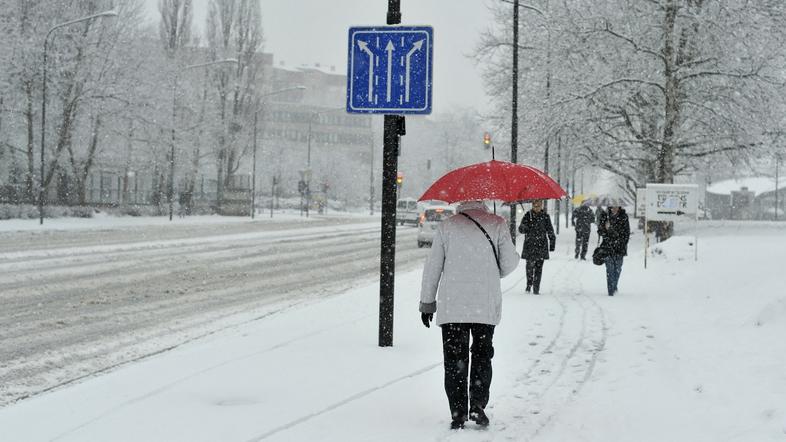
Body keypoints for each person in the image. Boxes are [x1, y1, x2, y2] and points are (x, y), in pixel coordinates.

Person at [419, 200, 519, 430]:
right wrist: (493, 269)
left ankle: (458, 411)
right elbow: (509, 263)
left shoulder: (447, 226)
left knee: (455, 360)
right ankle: (477, 405)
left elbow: (433, 265)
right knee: (482, 356)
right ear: (484, 201)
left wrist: (427, 302)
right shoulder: (497, 223)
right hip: (483, 304)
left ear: (461, 201)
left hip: (453, 306)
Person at [518, 200, 556, 295]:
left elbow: (550, 230)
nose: (537, 207)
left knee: (539, 268)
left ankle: (536, 288)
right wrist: (525, 227)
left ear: (541, 206)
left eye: (538, 205)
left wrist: (552, 244)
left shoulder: (545, 217)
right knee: (529, 267)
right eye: (535, 205)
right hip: (530, 245)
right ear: (532, 205)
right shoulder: (528, 215)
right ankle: (529, 284)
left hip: (541, 245)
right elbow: (521, 229)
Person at [597, 204, 631, 296]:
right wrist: (605, 228)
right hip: (607, 247)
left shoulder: (623, 216)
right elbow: (599, 231)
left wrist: (621, 242)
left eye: (616, 207)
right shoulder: (605, 216)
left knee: (618, 269)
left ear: (619, 207)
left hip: (620, 248)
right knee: (610, 269)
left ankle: (614, 286)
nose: (614, 209)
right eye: (612, 206)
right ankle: (611, 290)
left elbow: (627, 232)